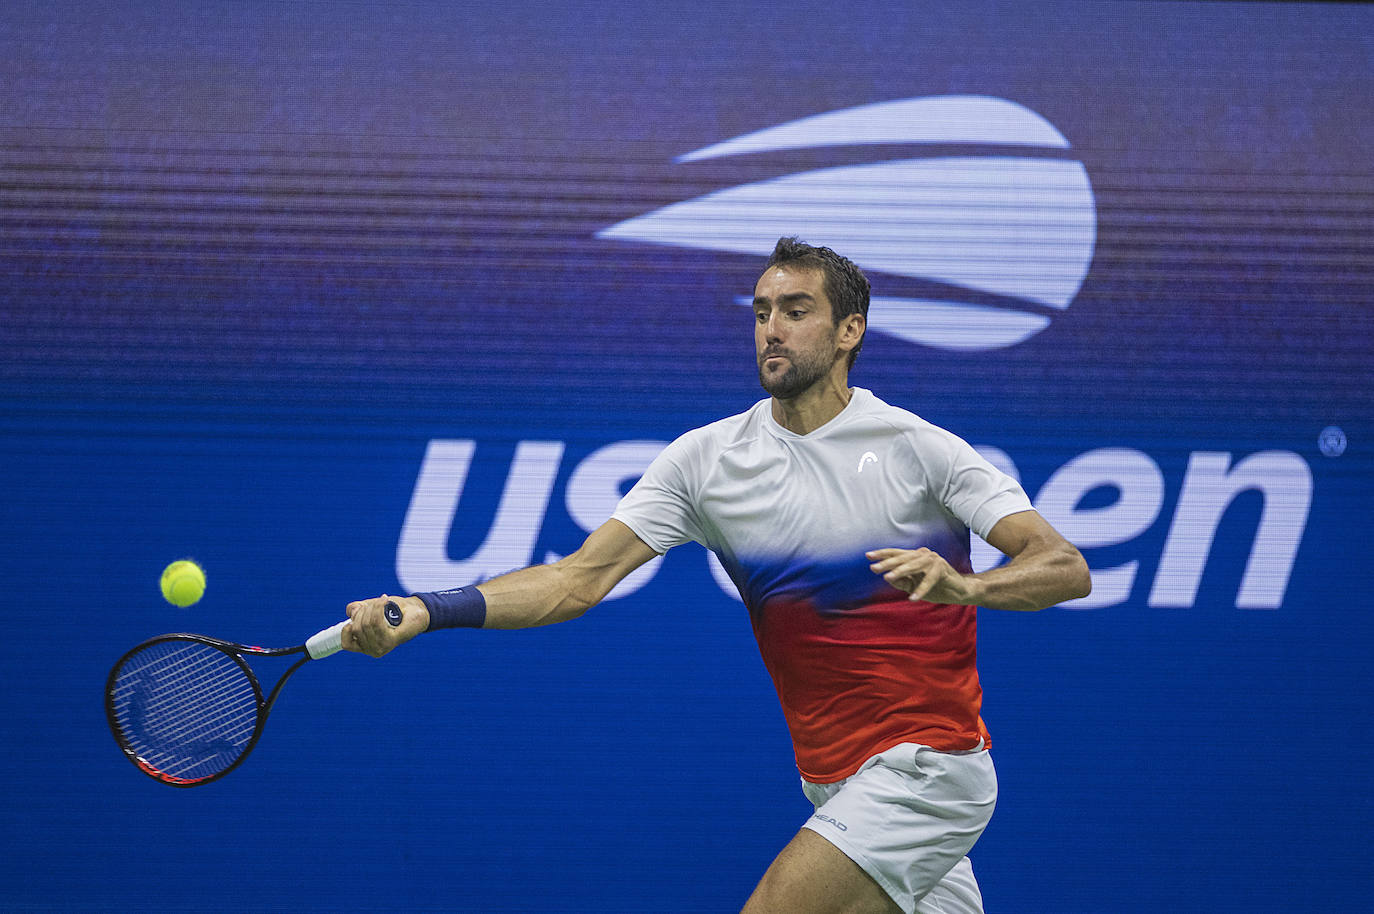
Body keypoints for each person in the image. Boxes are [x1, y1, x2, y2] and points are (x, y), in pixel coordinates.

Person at [344, 237, 1092, 914]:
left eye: (797, 311)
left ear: (848, 332)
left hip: (928, 769)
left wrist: (970, 588)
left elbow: (1063, 566)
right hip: (834, 780)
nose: (773, 327)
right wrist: (426, 609)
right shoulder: (706, 462)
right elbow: (577, 579)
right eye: (763, 310)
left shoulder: (919, 450)